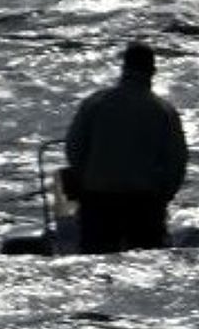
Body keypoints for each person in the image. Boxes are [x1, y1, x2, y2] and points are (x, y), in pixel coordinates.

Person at [64, 41, 189, 253]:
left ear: (123, 68)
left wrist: (86, 179)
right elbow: (177, 162)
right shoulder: (164, 111)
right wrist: (164, 196)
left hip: (98, 200)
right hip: (144, 204)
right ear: (152, 71)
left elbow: (74, 149)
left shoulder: (95, 103)